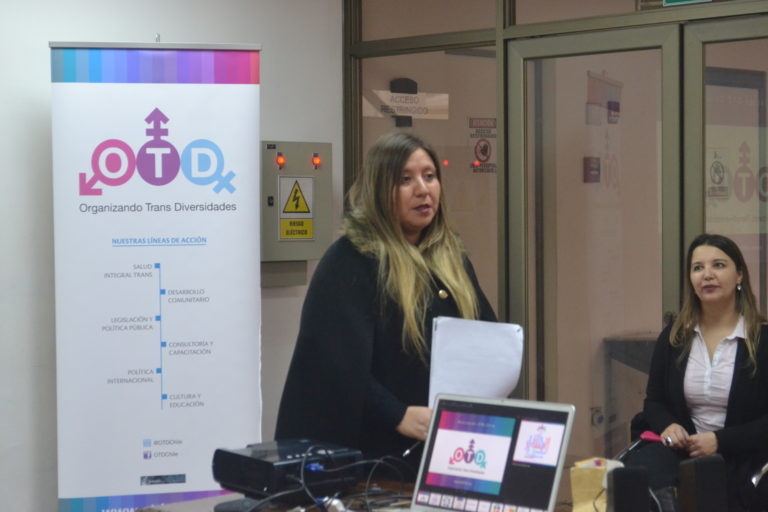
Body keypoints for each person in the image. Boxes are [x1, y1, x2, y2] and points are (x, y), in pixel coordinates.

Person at [274, 131, 496, 469]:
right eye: (405, 180)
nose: (422, 189)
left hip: (448, 447)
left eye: (429, 176)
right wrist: (397, 414)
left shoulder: (451, 256)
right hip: (373, 454)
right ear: (380, 190)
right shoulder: (351, 260)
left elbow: (487, 337)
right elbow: (333, 366)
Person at [636, 233, 768, 511]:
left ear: (740, 274)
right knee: (641, 475)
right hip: (684, 458)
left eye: (718, 265)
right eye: (698, 268)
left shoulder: (762, 339)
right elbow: (654, 401)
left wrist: (720, 441)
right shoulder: (674, 337)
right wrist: (668, 426)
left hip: (747, 459)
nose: (707, 275)